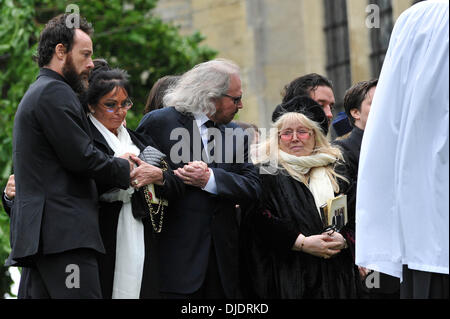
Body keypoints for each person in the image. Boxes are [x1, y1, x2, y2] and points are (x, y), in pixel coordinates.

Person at [7, 14, 134, 299]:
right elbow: (82, 157)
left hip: (43, 241)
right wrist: (126, 168)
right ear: (60, 51)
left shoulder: (40, 92)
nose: (91, 63)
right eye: (85, 54)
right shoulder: (55, 92)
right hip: (64, 240)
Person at [136, 58, 261, 299]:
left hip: (223, 270)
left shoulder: (237, 134)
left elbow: (253, 187)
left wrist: (210, 179)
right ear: (210, 96)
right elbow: (142, 187)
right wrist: (168, 177)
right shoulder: (160, 123)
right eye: (235, 99)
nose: (241, 105)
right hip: (174, 268)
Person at [356, 0, 449, 299]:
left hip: (424, 233)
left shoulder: (416, 18)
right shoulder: (421, 18)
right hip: (428, 236)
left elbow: (387, 125)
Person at [241, 95, 356, 298]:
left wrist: (345, 239)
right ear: (277, 138)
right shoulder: (266, 172)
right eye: (286, 133)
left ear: (315, 136)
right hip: (289, 276)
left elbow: (358, 214)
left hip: (337, 277)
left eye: (302, 132)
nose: (294, 138)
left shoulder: (337, 170)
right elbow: (256, 218)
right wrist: (301, 242)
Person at [85, 63, 185, 298]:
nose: (120, 111)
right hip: (102, 233)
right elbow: (77, 184)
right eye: (111, 105)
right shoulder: (85, 141)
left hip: (142, 232)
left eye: (125, 104)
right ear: (91, 105)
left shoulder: (140, 140)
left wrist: (158, 176)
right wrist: (118, 170)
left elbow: (176, 183)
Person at [335, 79, 400, 298]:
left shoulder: (399, 145)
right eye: (375, 102)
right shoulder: (342, 151)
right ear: (355, 112)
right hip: (370, 253)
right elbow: (343, 205)